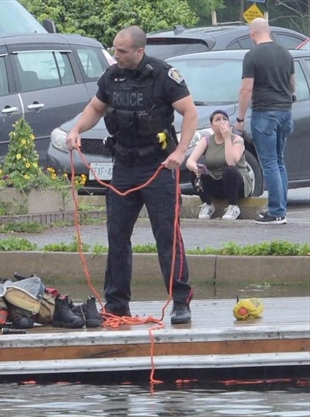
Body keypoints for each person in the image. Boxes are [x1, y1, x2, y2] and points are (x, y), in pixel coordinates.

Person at [65, 26, 196, 324]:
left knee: (167, 235)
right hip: (123, 165)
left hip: (158, 166)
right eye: (115, 49)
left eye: (122, 51)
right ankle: (116, 304)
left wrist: (181, 152)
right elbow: (96, 108)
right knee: (117, 236)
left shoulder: (164, 75)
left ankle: (180, 300)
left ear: (139, 51)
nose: (116, 54)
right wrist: (76, 130)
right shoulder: (112, 76)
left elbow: (190, 112)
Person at [235, 18, 295, 225]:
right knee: (279, 161)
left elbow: (246, 89)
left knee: (268, 162)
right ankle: (281, 209)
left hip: (264, 113)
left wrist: (240, 119)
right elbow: (292, 85)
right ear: (268, 31)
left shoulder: (252, 56)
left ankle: (276, 211)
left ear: (252, 33)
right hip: (285, 112)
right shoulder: (286, 53)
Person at [187, 110, 254, 221]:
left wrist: (227, 138)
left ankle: (233, 206)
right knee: (196, 171)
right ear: (211, 126)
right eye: (217, 120)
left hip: (236, 184)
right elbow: (190, 161)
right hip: (217, 183)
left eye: (224, 119)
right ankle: (208, 204)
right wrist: (195, 168)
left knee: (230, 170)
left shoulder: (237, 140)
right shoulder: (206, 141)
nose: (221, 122)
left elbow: (231, 162)